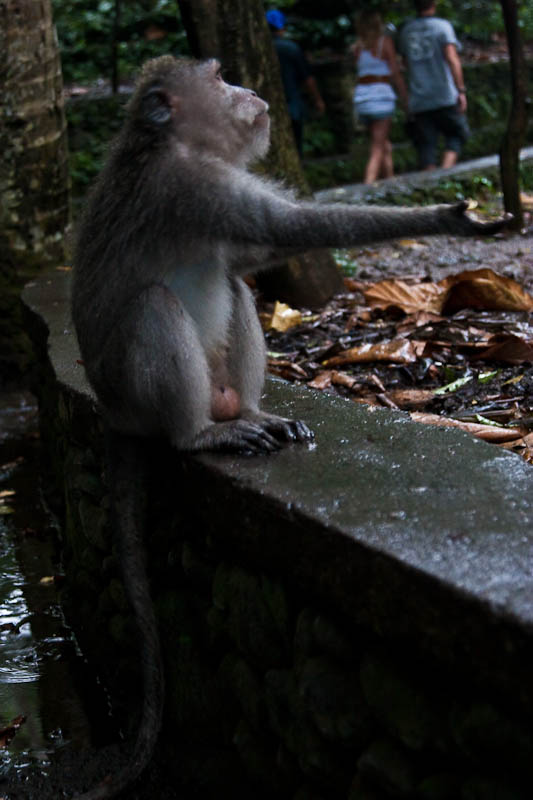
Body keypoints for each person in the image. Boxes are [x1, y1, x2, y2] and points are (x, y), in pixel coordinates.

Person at [397, 0, 470, 170]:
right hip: (444, 94)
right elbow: (452, 59)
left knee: (426, 146)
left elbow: (405, 64)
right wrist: (461, 89)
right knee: (457, 134)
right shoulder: (442, 27)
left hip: (419, 97)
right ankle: (444, 172)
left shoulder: (406, 31)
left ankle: (430, 182)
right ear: (434, 4)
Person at [351, 10, 408, 184]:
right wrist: (405, 96)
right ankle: (368, 185)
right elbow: (395, 73)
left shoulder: (357, 48)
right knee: (377, 146)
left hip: (363, 99)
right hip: (381, 98)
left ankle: (390, 181)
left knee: (383, 142)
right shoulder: (385, 43)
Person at [266, 8, 325, 156]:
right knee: (295, 148)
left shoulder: (260, 50)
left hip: (267, 108)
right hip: (293, 107)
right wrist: (318, 100)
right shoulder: (291, 48)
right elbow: (308, 79)